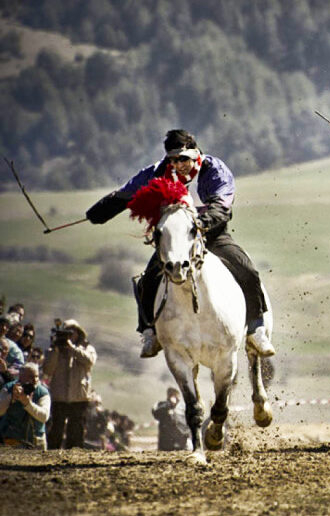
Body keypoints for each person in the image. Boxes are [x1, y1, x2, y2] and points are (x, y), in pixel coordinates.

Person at [85, 129, 274, 359]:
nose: (177, 164)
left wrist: (197, 225)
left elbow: (222, 208)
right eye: (172, 159)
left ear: (195, 154)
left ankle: (256, 329)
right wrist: (98, 212)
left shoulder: (214, 170)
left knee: (247, 270)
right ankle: (150, 332)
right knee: (147, 280)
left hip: (211, 234)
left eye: (183, 159)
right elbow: (127, 194)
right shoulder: (159, 171)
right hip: (175, 241)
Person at [44, 319, 96, 449]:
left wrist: (72, 349)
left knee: (76, 431)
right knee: (56, 429)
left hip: (79, 397)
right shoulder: (54, 349)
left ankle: (74, 454)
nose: (70, 335)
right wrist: (55, 350)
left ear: (79, 333)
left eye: (72, 332)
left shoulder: (87, 348)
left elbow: (89, 361)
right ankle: (52, 453)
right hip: (59, 396)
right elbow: (47, 370)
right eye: (67, 333)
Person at [0, 362, 51, 449]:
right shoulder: (9, 388)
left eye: (37, 376)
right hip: (13, 440)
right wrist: (11, 397)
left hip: (37, 440)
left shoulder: (42, 392)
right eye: (31, 376)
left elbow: (44, 417)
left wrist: (28, 404)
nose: (34, 380)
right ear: (21, 376)